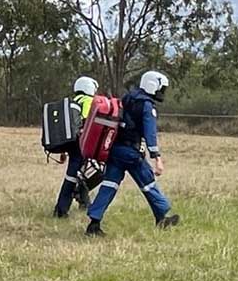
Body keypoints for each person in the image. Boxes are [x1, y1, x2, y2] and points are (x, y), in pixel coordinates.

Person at [85, 70, 180, 236]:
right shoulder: (146, 105)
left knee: (109, 185)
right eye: (160, 89)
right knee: (148, 183)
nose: (161, 93)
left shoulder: (128, 97)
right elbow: (150, 133)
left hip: (115, 150)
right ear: (153, 86)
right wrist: (156, 157)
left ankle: (94, 223)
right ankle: (162, 216)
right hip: (130, 152)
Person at [53, 76, 99, 217]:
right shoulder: (87, 101)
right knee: (93, 172)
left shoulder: (72, 102)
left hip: (71, 144)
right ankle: (61, 209)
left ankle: (84, 202)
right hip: (81, 144)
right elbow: (86, 122)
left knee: (75, 175)